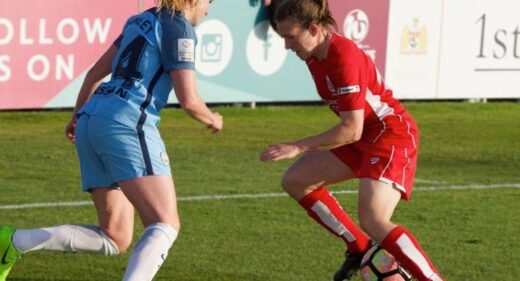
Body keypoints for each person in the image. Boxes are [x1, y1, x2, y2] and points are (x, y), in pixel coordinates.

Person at [0, 0, 222, 280]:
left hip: (92, 118)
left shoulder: (140, 21)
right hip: (125, 122)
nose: (209, 8)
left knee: (115, 236)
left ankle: (13, 242)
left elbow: (95, 72)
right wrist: (213, 118)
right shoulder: (178, 27)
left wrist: (77, 115)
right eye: (209, 1)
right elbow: (189, 100)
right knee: (164, 224)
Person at [259, 1, 444, 280]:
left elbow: (351, 129)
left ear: (313, 28)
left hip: (390, 134)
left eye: (290, 37)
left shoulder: (343, 55)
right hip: (365, 133)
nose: (286, 45)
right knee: (296, 180)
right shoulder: (313, 56)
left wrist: (298, 145)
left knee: (374, 218)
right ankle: (359, 247)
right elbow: (354, 128)